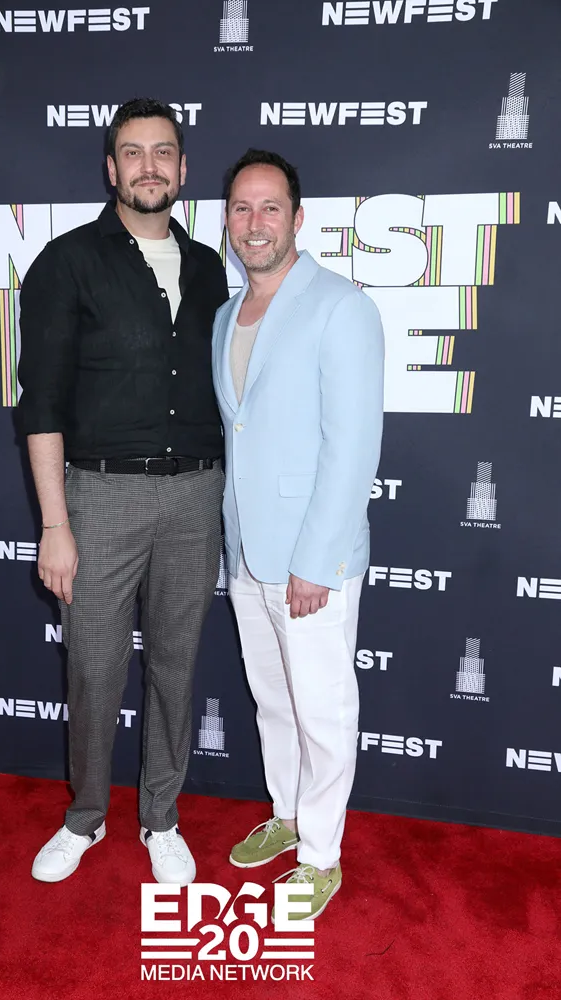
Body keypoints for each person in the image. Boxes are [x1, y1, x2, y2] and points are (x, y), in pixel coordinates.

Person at [17, 98, 228, 886]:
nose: (148, 166)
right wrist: (55, 524)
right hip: (100, 497)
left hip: (196, 496)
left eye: (162, 152)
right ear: (111, 169)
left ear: (182, 168)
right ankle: (85, 817)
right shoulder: (68, 261)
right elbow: (40, 403)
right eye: (132, 153)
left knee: (175, 666)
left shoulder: (209, 267)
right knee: (95, 670)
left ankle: (161, 817)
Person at [212, 149, 384, 920]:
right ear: (226, 221)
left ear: (297, 219)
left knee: (320, 708)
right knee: (272, 701)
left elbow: (351, 449)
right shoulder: (226, 316)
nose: (255, 223)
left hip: (312, 558)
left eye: (269, 207)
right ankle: (284, 814)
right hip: (247, 551)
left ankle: (320, 855)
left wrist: (318, 560)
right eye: (241, 208)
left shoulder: (339, 307)